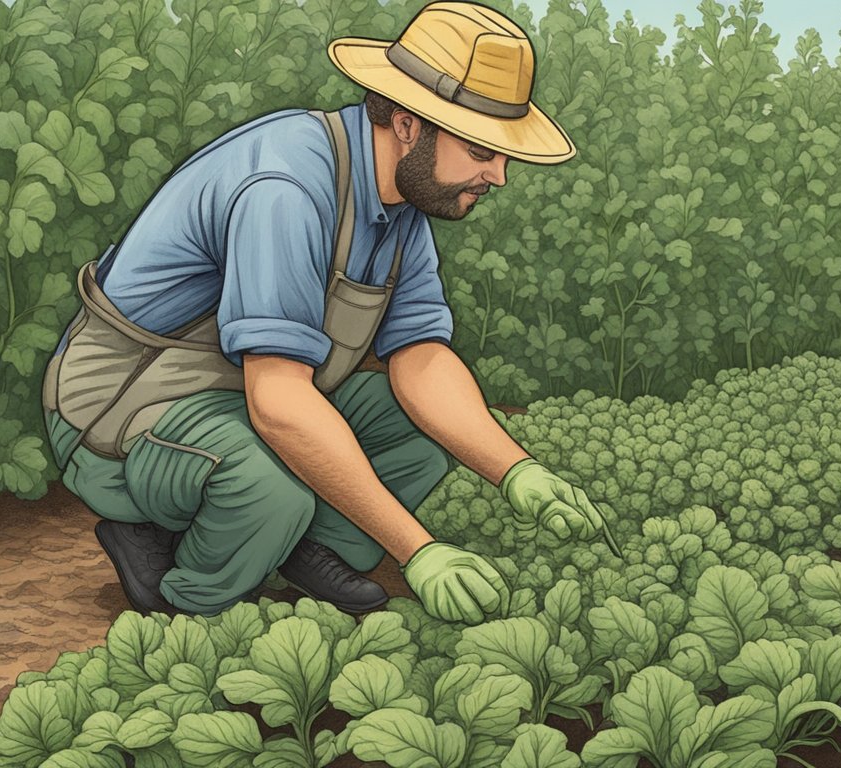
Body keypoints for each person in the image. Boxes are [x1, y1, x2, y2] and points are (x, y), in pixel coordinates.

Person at [39, 0, 612, 625]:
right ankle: (186, 598)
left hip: (234, 395)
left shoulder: (402, 205)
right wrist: (417, 551)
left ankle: (304, 552)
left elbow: (420, 360)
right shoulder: (284, 186)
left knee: (421, 438)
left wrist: (515, 470)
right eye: (481, 149)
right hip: (120, 411)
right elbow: (279, 405)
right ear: (408, 124)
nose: (498, 175)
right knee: (268, 487)